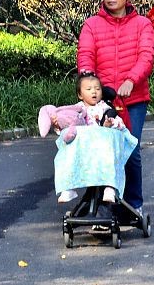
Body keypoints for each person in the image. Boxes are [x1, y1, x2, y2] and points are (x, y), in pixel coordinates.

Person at [77, 0, 154, 219]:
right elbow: (86, 55)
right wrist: (88, 79)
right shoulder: (92, 25)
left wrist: (132, 80)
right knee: (100, 150)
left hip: (132, 100)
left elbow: (146, 56)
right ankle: (102, 204)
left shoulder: (142, 24)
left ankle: (134, 203)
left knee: (129, 149)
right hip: (100, 102)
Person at [43, 71, 128, 203]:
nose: (94, 92)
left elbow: (117, 124)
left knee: (109, 152)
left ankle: (110, 187)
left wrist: (108, 123)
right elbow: (68, 123)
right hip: (82, 149)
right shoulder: (75, 109)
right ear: (80, 94)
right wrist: (57, 123)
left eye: (97, 89)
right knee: (67, 149)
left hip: (100, 149)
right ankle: (68, 187)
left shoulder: (105, 108)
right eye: (88, 89)